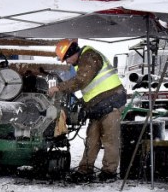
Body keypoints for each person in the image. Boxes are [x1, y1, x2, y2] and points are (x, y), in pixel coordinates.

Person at [47, 39, 128, 183]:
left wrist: (58, 87)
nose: (67, 63)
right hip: (98, 106)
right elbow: (92, 89)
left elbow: (80, 81)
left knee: (110, 140)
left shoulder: (89, 56)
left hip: (112, 102)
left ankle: (109, 172)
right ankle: (85, 170)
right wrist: (83, 105)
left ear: (72, 53)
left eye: (66, 59)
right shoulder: (83, 62)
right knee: (92, 139)